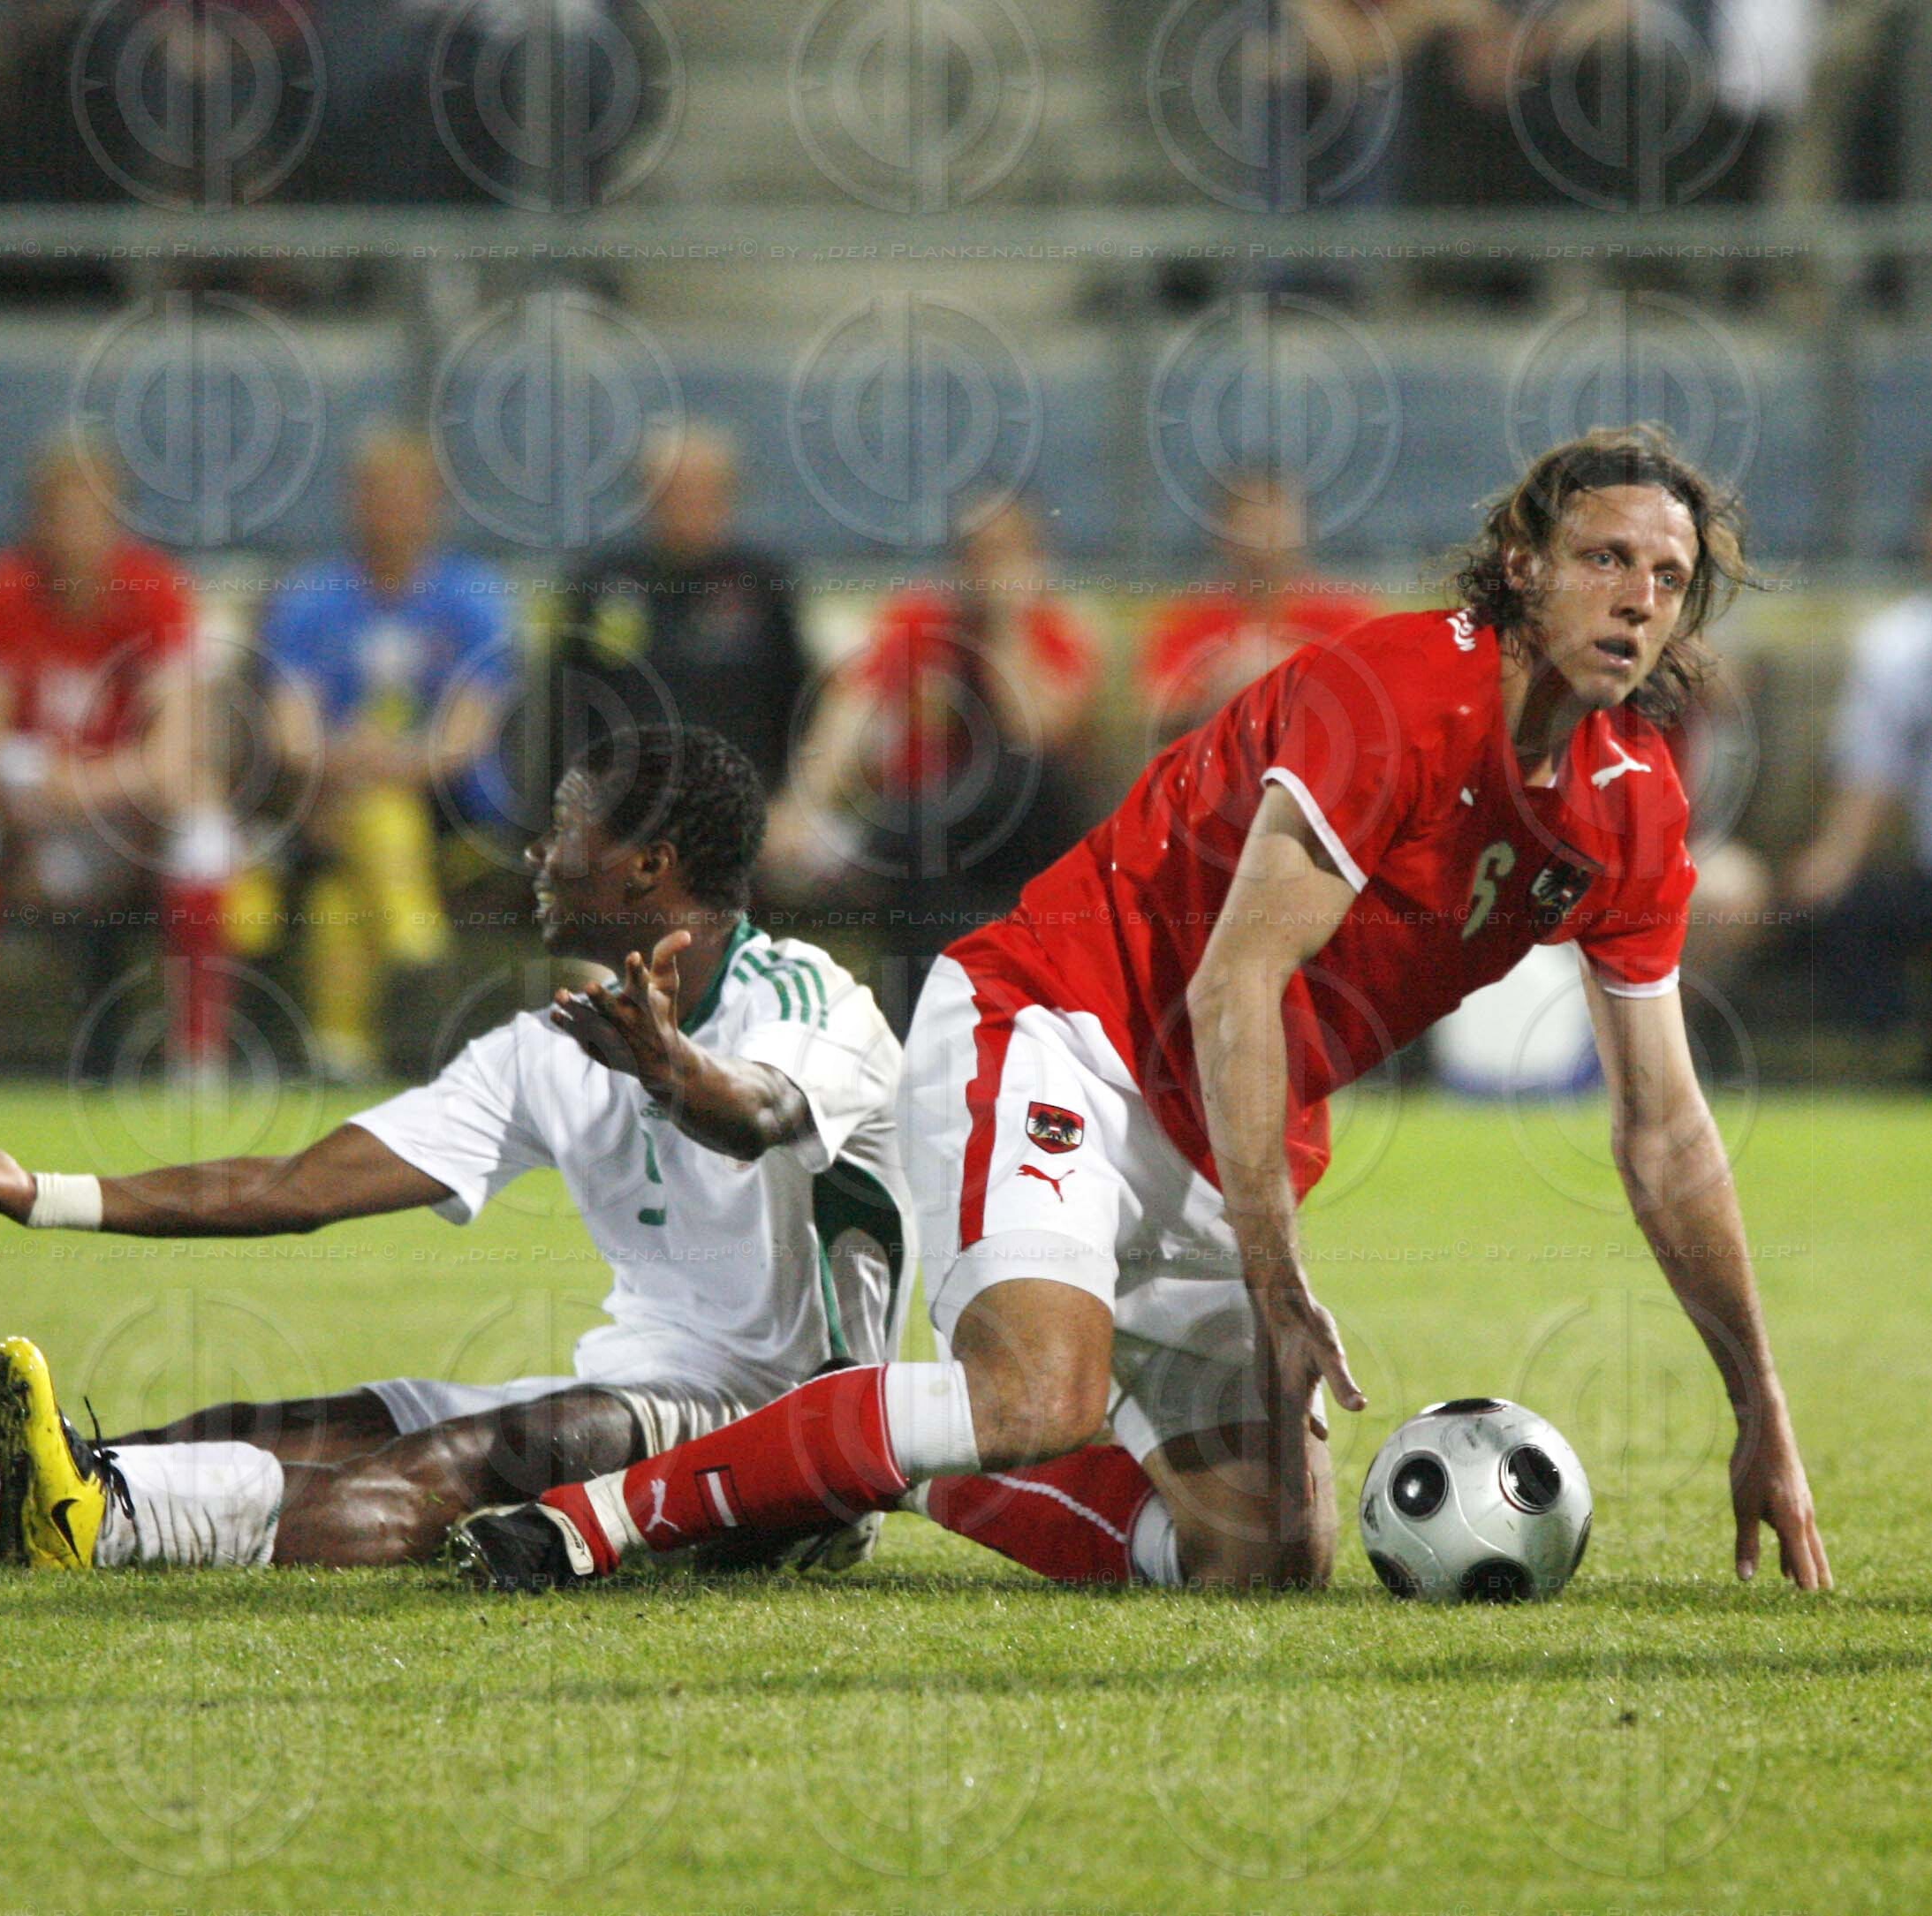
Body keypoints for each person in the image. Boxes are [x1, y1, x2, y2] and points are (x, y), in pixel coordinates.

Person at [452, 426, 1831, 1598]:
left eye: (1668, 576)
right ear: (1524, 562)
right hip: (1060, 1021)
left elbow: (1664, 1134)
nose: (1639, 598)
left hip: (1229, 1117)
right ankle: (601, 1517)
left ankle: (871, 1459)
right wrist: (1274, 1268)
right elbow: (1239, 976)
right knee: (1034, 1398)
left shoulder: (1630, 803)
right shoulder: (1394, 694)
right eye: (1605, 558)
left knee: (1260, 1556)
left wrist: (1757, 1406)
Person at [0, 725, 915, 1578]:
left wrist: (669, 1066)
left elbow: (754, 1111)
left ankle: (108, 1528)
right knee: (264, 1427)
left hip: (787, 1440)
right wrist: (47, 1194)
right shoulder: (551, 1041)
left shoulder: (809, 1000)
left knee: (448, 1470)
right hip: (639, 1384)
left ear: (646, 867)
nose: (537, 852)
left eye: (563, 828)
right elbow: (300, 1188)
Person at [0, 435, 227, 1087]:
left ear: (117, 518)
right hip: (31, 805)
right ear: (37, 516)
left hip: (122, 811)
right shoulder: (3, 590)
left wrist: (87, 784)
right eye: (60, 511)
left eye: (91, 511)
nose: (75, 528)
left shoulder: (157, 592)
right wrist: (31, 793)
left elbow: (173, 752)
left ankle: (199, 1053)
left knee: (204, 827)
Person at [250, 427, 512, 1082]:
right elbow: (291, 736)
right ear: (354, 504)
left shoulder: (475, 600)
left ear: (435, 507)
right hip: (328, 808)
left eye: (409, 498)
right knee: (344, 873)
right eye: (379, 497)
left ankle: (352, 1026)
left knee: (370, 831)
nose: (393, 513)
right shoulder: (310, 600)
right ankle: (408, 954)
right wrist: (350, 762)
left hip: (452, 818)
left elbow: (463, 741)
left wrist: (372, 763)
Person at [770, 492, 1097, 1012]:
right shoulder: (920, 618)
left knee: (942, 817)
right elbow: (852, 709)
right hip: (925, 831)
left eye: (1004, 552)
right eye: (976, 552)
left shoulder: (1052, 628)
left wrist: (1005, 625)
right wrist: (801, 804)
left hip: (1026, 834)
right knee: (914, 848)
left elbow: (1036, 733)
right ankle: (923, 1021)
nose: (987, 567)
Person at [550, 426, 810, 796]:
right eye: (673, 492)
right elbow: (562, 705)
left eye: (705, 491)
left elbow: (798, 698)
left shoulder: (763, 582)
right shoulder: (601, 582)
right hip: (622, 797)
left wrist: (791, 802)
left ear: (730, 496)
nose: (689, 505)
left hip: (739, 797)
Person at [1786, 473, 1932, 1079]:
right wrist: (1833, 860)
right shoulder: (1898, 644)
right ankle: (1892, 1057)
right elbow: (1869, 775)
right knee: (1848, 910)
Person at [1140, 467, 1378, 740]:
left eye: (1277, 521)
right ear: (1222, 532)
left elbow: (1378, 701)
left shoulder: (1344, 613)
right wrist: (1217, 683)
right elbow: (1155, 710)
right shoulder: (1191, 616)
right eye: (1251, 520)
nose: (1266, 535)